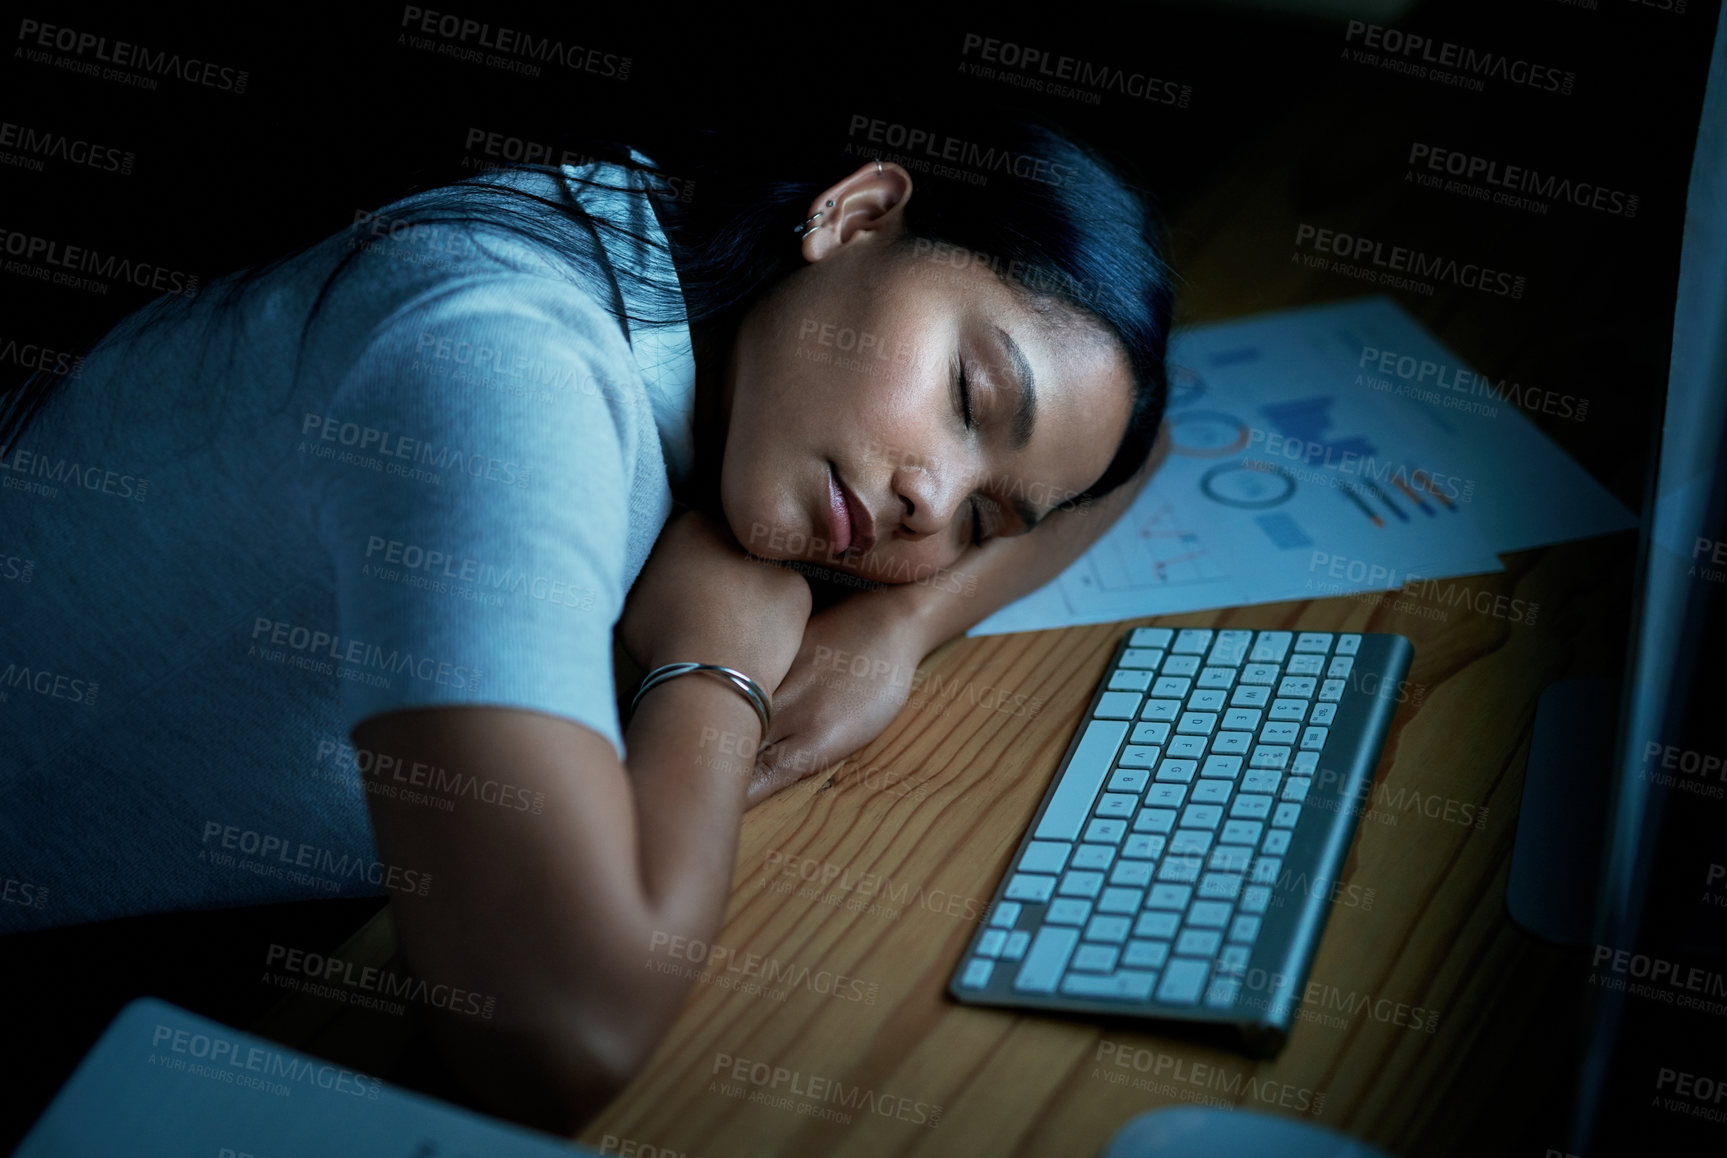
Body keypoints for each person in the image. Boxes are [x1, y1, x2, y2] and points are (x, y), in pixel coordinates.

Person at [0, 118, 1175, 1130]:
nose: (930, 501)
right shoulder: (505, 360)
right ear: (857, 215)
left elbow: (1133, 450)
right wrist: (716, 667)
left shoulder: (695, 266)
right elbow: (552, 1039)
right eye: (968, 398)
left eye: (981, 522)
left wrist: (894, 634)